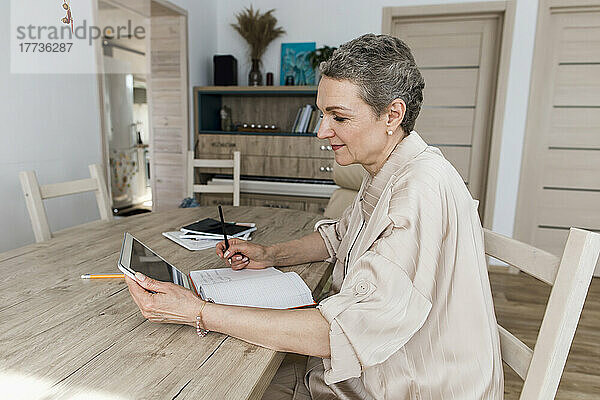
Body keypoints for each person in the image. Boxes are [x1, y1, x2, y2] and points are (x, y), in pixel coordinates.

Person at [125, 33, 504, 399]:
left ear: (393, 113)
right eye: (322, 114)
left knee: (212, 382)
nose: (322, 131)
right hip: (368, 372)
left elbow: (339, 333)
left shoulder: (418, 190)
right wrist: (271, 255)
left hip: (406, 386)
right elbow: (339, 236)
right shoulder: (390, 170)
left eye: (338, 117)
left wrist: (200, 312)